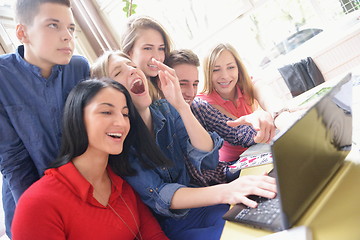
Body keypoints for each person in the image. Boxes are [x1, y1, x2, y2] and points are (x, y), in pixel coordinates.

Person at [91, 51, 277, 240]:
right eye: (117, 72)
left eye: (131, 65)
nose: (131, 71)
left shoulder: (166, 108)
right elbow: (161, 195)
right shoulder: (121, 142)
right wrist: (226, 191)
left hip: (208, 202)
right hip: (178, 222)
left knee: (267, 216)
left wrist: (181, 105)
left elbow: (207, 160)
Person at [11, 79, 169, 240]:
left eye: (125, 114)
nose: (121, 123)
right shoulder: (38, 203)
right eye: (106, 112)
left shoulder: (123, 183)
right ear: (78, 117)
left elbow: (154, 235)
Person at [0, 0, 90, 237]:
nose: (67, 36)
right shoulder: (2, 77)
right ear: (22, 32)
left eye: (70, 28)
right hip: (29, 197)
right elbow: (13, 161)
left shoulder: (79, 68)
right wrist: (43, 213)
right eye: (53, 25)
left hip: (84, 190)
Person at [196, 43, 285, 162]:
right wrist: (263, 116)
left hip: (262, 149)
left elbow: (270, 99)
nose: (225, 76)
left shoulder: (248, 84)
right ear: (207, 73)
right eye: (216, 70)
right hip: (236, 163)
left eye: (231, 67)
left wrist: (281, 114)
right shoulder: (205, 102)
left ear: (238, 68)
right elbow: (242, 131)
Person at [120, 15, 173, 100]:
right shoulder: (127, 96)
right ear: (129, 52)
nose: (157, 57)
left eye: (161, 48)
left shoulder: (165, 87)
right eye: (147, 48)